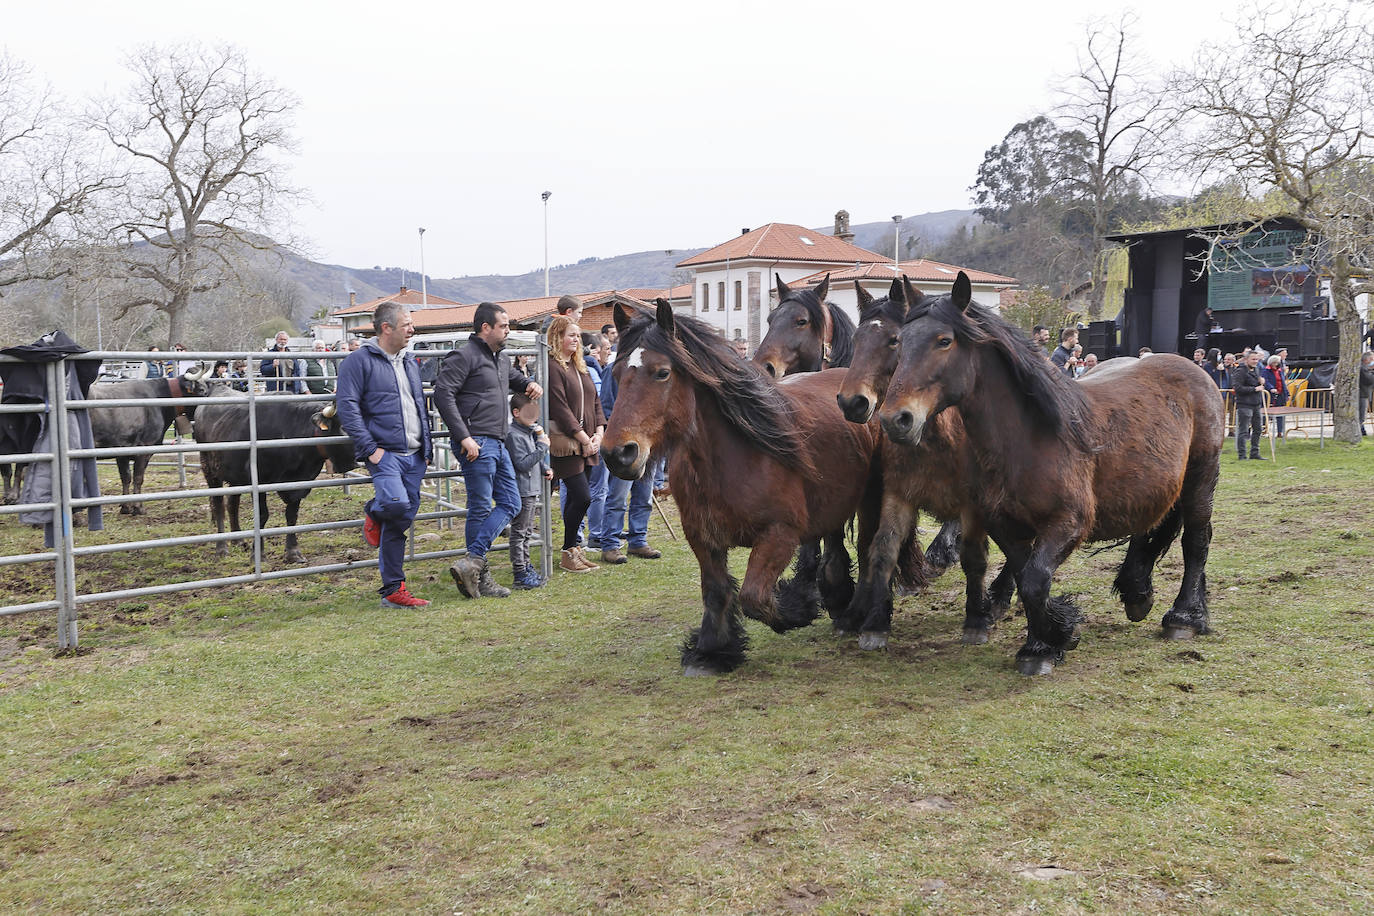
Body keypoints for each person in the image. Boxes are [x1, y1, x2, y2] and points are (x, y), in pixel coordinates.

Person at [435, 302, 543, 599]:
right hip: (476, 443)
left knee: (511, 502)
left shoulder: (501, 359)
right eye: (504, 326)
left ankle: (473, 563)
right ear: (486, 328)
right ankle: (480, 577)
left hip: (498, 440)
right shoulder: (464, 356)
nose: (508, 330)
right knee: (481, 507)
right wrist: (464, 437)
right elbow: (443, 394)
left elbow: (513, 380)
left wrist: (530, 383)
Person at [335, 302, 434, 608]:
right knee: (395, 504)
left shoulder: (409, 362)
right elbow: (347, 407)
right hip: (384, 454)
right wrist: (370, 449)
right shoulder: (358, 361)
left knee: (400, 520)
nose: (412, 329)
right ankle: (373, 510)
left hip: (414, 454)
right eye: (406, 324)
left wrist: (426, 449)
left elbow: (419, 405)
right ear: (386, 328)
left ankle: (393, 590)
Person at [544, 315, 606, 572]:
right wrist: (583, 437)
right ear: (557, 337)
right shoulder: (553, 367)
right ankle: (568, 549)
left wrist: (600, 433)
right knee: (581, 496)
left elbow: (596, 402)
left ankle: (573, 550)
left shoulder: (581, 367)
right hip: (567, 443)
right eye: (571, 334)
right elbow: (559, 408)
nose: (576, 339)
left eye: (578, 335)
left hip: (589, 441)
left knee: (579, 499)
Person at [595, 338, 661, 564]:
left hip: (646, 440)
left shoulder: (647, 370)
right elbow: (605, 404)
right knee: (618, 496)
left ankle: (638, 540)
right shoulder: (618, 369)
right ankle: (610, 543)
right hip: (624, 441)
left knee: (644, 495)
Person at [505, 392, 553, 588]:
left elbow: (533, 458)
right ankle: (520, 572)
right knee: (520, 532)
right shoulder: (513, 435)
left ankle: (526, 566)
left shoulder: (528, 433)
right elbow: (523, 463)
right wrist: (542, 448)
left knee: (526, 532)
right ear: (516, 413)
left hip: (531, 488)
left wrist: (544, 468)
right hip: (522, 489)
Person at [1230, 348, 1266, 460]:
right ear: (1246, 360)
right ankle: (1242, 455)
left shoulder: (1255, 370)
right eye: (1253, 359)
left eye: (1257, 359)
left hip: (1256, 404)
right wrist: (1255, 389)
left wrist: (1261, 381)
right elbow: (1238, 388)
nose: (1255, 361)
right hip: (1244, 405)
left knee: (1258, 429)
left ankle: (1254, 453)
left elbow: (1257, 383)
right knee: (1244, 430)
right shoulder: (1240, 371)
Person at [1262, 354, 1289, 437]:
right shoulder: (1266, 370)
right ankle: (1263, 430)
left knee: (1281, 413)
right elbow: (1265, 381)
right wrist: (1271, 388)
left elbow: (1283, 383)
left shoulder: (1280, 371)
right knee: (1266, 413)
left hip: (1280, 394)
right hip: (1271, 395)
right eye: (1275, 362)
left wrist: (1287, 393)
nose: (1276, 364)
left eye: (1277, 363)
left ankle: (1280, 432)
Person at [1359, 351, 1374, 437]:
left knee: (1362, 414)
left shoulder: (1364, 368)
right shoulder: (1362, 368)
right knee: (1361, 415)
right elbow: (1369, 380)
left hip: (1364, 394)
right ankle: (1361, 431)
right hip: (1361, 394)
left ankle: (1362, 430)